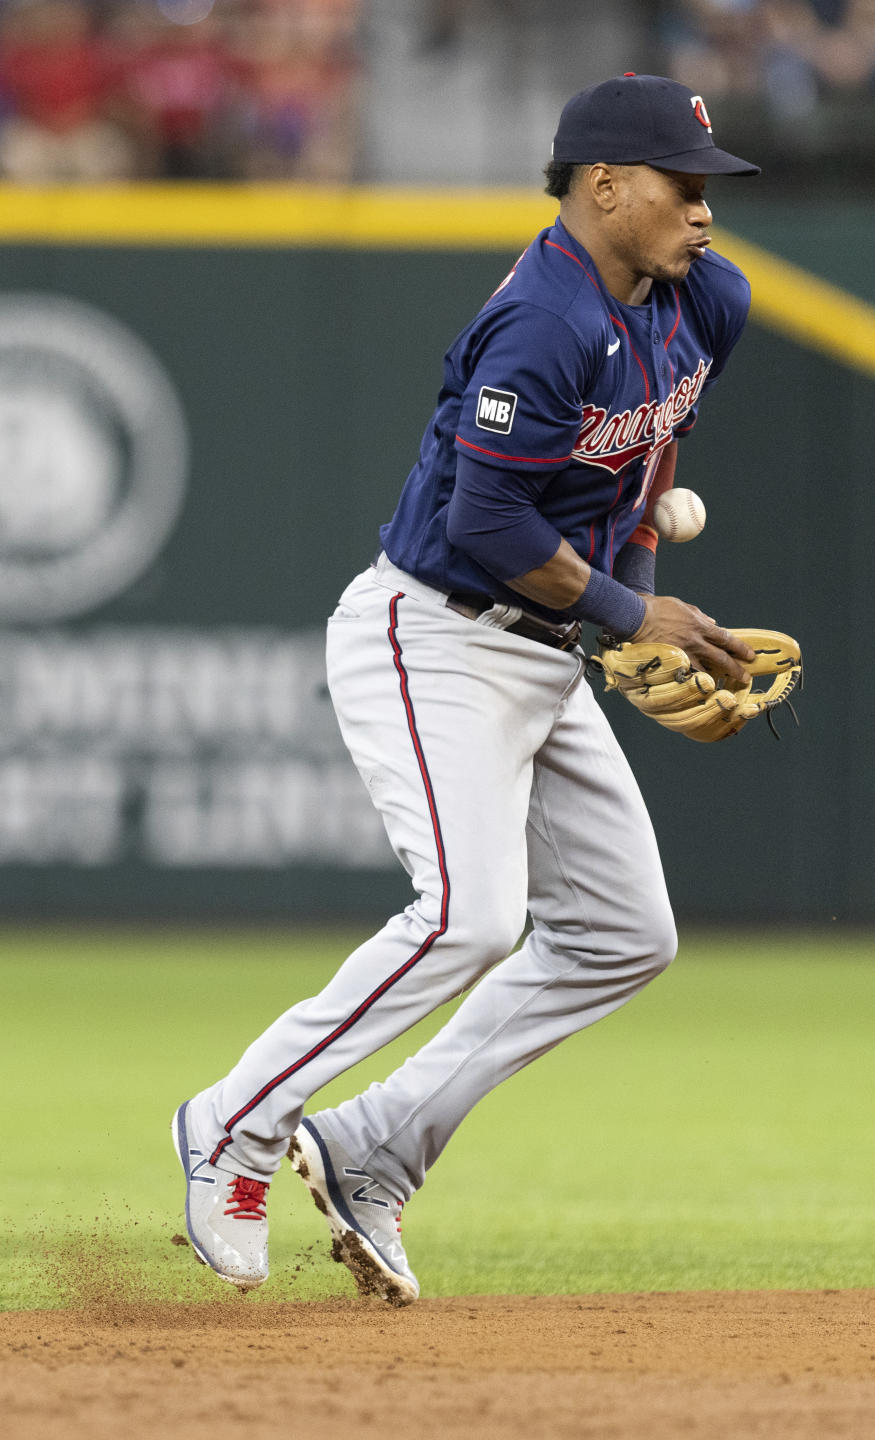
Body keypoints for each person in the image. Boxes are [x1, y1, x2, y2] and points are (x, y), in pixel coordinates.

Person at [173, 72, 760, 1304]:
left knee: (623, 936)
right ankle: (234, 1122)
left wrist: (621, 615)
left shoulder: (704, 298)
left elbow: (643, 469)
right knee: (469, 917)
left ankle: (375, 1143)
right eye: (683, 187)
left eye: (711, 191)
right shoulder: (543, 321)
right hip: (433, 633)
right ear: (605, 186)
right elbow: (487, 520)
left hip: (546, 651)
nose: (706, 214)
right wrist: (628, 613)